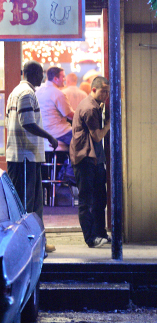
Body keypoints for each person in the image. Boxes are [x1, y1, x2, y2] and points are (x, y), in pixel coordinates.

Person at [5, 60, 58, 253]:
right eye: (41, 74)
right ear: (34, 73)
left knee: (34, 203)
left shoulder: (14, 93)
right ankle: (26, 247)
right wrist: (49, 136)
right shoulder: (26, 93)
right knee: (26, 206)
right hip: (24, 157)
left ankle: (38, 244)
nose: (43, 78)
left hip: (25, 156)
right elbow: (27, 123)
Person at [70, 76, 111, 248]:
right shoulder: (89, 109)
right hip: (85, 158)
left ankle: (100, 233)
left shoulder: (93, 105)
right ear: (93, 90)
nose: (106, 95)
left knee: (100, 198)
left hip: (94, 158)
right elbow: (97, 136)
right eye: (103, 91)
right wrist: (109, 123)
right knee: (87, 200)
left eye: (108, 91)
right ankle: (90, 238)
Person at [36, 66, 75, 147]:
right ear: (56, 79)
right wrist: (83, 115)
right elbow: (70, 116)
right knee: (85, 139)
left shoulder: (38, 90)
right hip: (59, 133)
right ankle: (76, 160)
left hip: (42, 133)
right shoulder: (58, 93)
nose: (64, 79)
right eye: (63, 77)